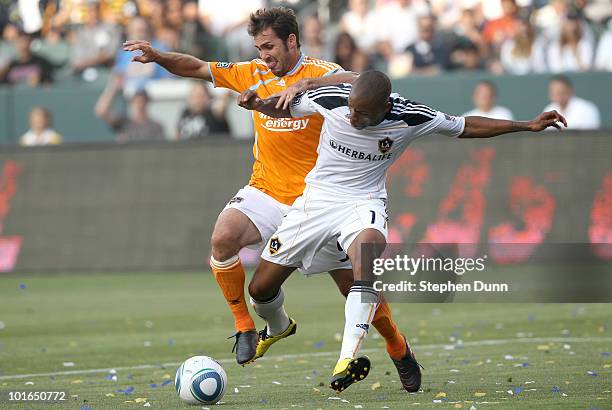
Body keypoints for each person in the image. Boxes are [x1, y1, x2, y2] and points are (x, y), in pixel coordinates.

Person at [123, 9, 413, 387]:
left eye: (270, 46)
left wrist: (307, 84)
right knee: (223, 238)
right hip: (266, 190)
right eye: (259, 47)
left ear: (292, 41)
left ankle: (398, 347)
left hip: (319, 204)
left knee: (355, 287)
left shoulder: (324, 72)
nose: (264, 55)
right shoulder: (251, 72)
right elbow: (197, 67)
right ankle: (246, 327)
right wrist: (160, 56)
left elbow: (362, 81)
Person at [238, 70, 567, 392]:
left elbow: (466, 126)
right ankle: (282, 328)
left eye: (362, 114)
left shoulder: (411, 116)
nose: (353, 117)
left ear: (384, 108)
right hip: (315, 202)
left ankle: (346, 361)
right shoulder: (331, 98)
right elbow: (281, 108)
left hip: (363, 202)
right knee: (260, 290)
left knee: (365, 264)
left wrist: (527, 125)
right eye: (351, 109)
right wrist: (258, 104)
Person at [94, 74, 165, 142]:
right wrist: (114, 88)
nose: (139, 105)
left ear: (147, 102)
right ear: (131, 102)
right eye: (136, 101)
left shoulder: (156, 126)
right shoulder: (124, 122)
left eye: (142, 101)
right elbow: (101, 111)